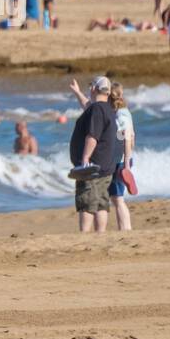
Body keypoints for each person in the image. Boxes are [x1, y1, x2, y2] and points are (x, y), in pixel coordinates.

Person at [67, 77, 118, 233]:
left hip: (92, 167)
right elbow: (88, 105)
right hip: (106, 166)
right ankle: (100, 235)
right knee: (102, 203)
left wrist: (85, 159)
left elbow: (92, 136)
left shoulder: (96, 110)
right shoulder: (107, 108)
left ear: (94, 89)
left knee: (87, 203)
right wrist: (77, 92)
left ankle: (85, 235)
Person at [108, 83, 136, 231]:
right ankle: (124, 229)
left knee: (118, 199)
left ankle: (126, 230)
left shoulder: (120, 114)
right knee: (116, 198)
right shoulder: (125, 112)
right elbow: (133, 135)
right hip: (122, 159)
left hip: (120, 161)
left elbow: (127, 138)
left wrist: (125, 165)